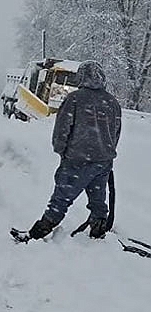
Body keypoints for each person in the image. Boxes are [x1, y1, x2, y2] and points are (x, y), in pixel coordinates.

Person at [29, 60, 121, 240]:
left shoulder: (74, 99)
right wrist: (106, 151)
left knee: (61, 197)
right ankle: (98, 226)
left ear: (82, 77)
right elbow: (116, 132)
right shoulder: (112, 102)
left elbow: (62, 129)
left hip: (77, 160)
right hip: (103, 162)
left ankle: (41, 230)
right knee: (98, 198)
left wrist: (61, 150)